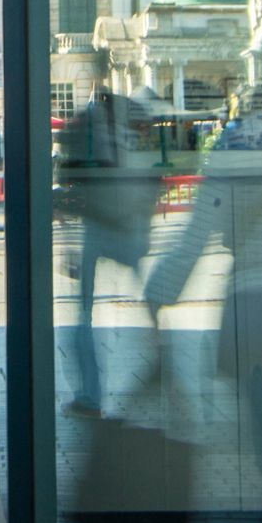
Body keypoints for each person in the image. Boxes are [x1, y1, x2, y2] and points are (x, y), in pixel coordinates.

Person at [58, 59, 157, 418]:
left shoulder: (88, 127)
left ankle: (90, 394)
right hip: (125, 227)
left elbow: (71, 176)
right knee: (143, 299)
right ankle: (161, 352)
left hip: (99, 226)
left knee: (83, 314)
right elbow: (149, 181)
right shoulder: (125, 128)